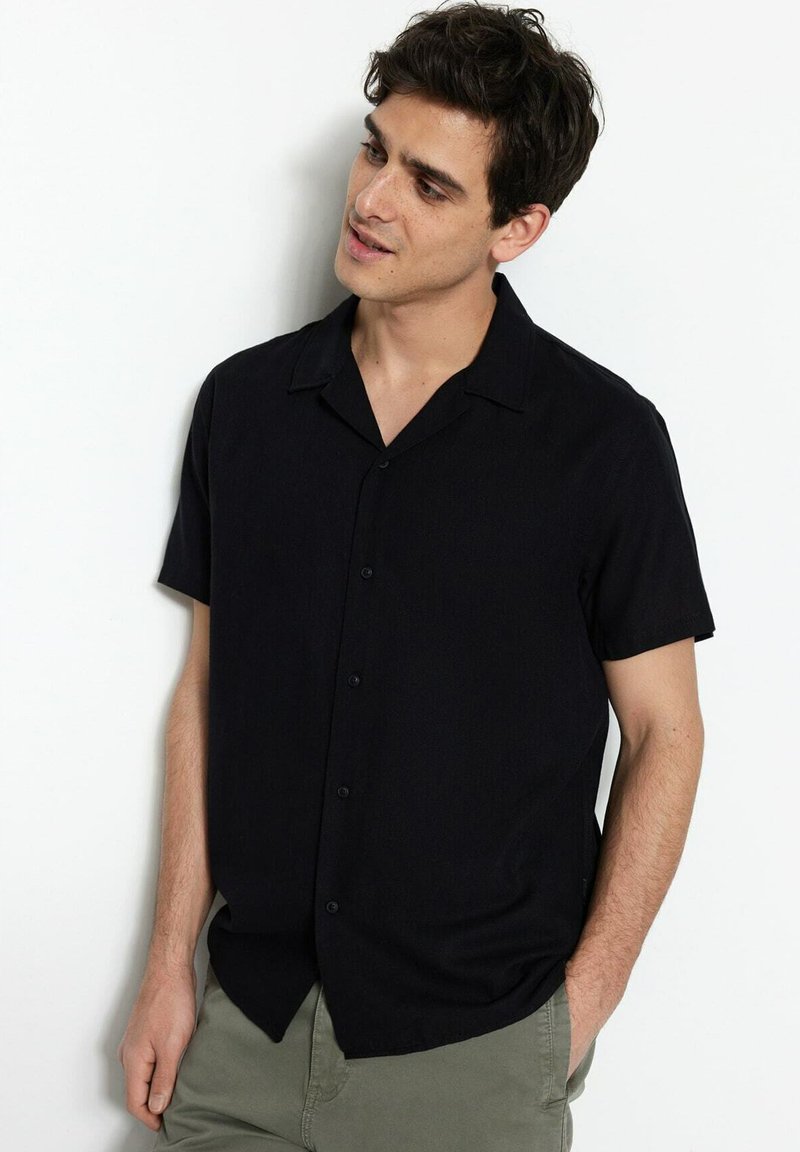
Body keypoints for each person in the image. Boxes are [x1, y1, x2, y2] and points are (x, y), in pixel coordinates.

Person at [117, 4, 716, 1150]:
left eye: (429, 185)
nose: (371, 199)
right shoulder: (246, 409)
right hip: (243, 1034)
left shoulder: (602, 444)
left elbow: (664, 734)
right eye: (374, 149)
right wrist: (166, 970)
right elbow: (206, 695)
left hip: (475, 1057)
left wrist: (577, 1010)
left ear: (516, 227)